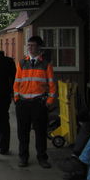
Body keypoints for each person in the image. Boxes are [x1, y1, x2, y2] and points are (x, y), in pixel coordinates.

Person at [13, 35, 57, 168]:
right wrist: (16, 99)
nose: (30, 48)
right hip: (23, 102)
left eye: (33, 45)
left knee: (40, 132)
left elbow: (52, 86)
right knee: (23, 132)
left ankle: (42, 157)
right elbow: (17, 82)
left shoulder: (46, 65)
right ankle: (23, 157)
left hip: (39, 102)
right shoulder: (22, 63)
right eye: (29, 45)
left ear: (39, 48)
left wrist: (49, 102)